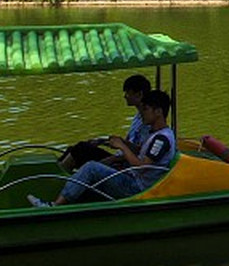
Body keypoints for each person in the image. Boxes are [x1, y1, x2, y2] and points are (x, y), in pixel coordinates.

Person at [49, 77, 176, 205]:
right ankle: (64, 194)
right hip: (132, 178)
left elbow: (142, 167)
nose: (142, 113)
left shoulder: (161, 139)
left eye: (146, 110)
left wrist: (122, 147)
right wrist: (122, 143)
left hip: (137, 188)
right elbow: (141, 151)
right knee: (89, 163)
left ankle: (55, 206)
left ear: (158, 112)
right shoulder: (154, 134)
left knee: (91, 168)